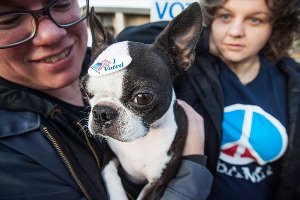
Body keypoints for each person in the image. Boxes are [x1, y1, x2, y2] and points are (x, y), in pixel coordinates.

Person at [0, 0, 213, 200]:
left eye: (62, 3)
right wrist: (191, 169)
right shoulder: (8, 156)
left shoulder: (114, 59)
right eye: (9, 18)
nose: (50, 34)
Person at [117, 0, 300, 199]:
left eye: (255, 20)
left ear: (276, 25)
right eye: (225, 16)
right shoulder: (189, 71)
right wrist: (202, 40)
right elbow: (127, 41)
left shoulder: (291, 82)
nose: (236, 31)